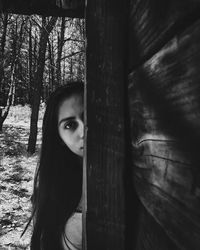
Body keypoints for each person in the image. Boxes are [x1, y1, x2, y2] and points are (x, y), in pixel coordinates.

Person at [30, 81, 84, 250]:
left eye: (88, 116)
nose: (83, 132)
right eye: (70, 125)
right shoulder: (52, 186)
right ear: (59, 137)